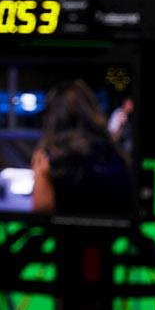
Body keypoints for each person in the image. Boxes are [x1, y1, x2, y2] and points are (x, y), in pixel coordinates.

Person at [30, 81, 133, 215]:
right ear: (91, 109)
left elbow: (41, 210)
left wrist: (41, 175)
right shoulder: (113, 152)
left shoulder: (50, 157)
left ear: (53, 116)